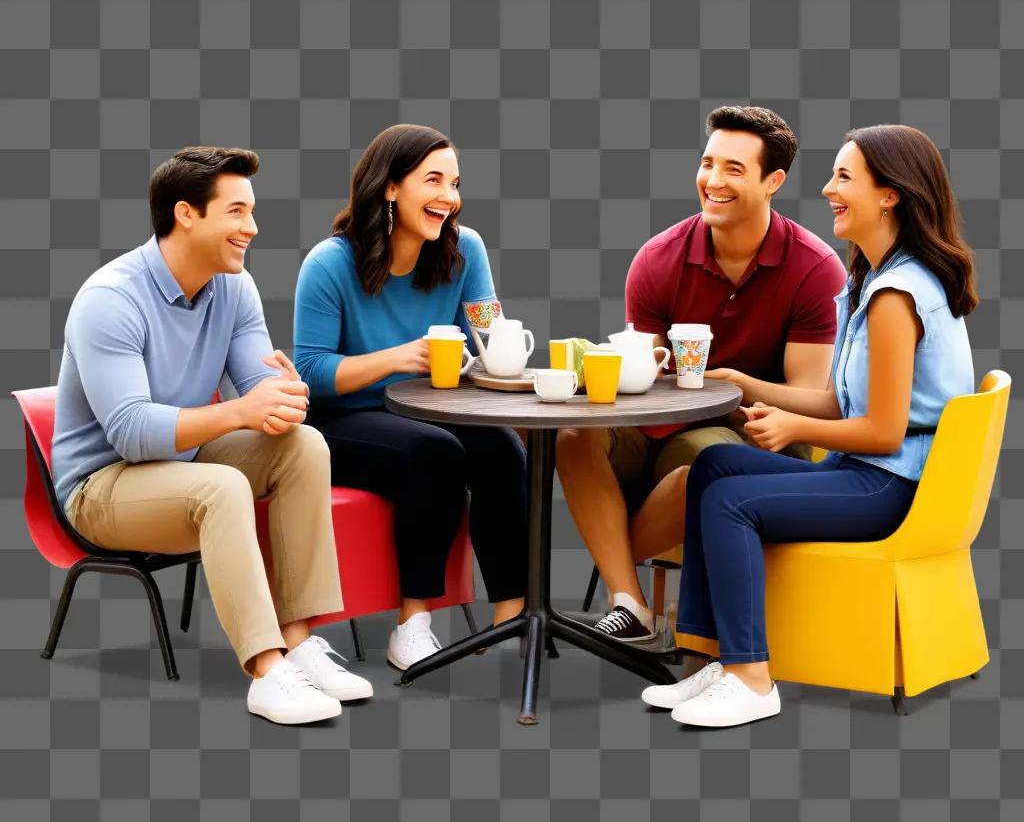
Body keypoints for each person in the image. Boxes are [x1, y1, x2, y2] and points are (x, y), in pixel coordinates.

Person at [641, 124, 979, 728]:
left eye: (844, 177)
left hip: (889, 486)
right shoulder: (876, 279)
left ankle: (751, 677)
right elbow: (839, 398)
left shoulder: (896, 298)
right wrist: (743, 383)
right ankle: (708, 657)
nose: (827, 189)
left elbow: (880, 431)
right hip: (873, 471)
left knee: (731, 503)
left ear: (890, 195)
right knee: (713, 466)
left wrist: (792, 426)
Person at [51, 147, 372, 726]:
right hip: (100, 488)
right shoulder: (110, 299)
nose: (252, 227)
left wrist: (287, 398)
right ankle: (266, 670)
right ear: (186, 214)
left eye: (251, 212)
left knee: (303, 447)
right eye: (237, 212)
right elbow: (129, 434)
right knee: (222, 487)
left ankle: (298, 643)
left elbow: (258, 390)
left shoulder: (235, 287)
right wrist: (242, 411)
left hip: (185, 461)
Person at [557, 107, 847, 643]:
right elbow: (642, 376)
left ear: (773, 181)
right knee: (573, 437)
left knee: (708, 461)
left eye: (734, 169)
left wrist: (733, 390)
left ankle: (615, 560)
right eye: (707, 163)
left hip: (751, 434)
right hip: (658, 424)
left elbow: (809, 397)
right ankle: (632, 603)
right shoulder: (658, 259)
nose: (713, 181)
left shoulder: (814, 268)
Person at [293, 124, 527, 669]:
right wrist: (399, 357)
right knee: (435, 452)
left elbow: (487, 331)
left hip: (425, 412)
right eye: (434, 180)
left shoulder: (464, 250)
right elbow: (310, 372)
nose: (450, 196)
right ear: (390, 187)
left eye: (455, 183)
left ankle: (511, 616)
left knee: (502, 448)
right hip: (340, 421)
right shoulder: (329, 264)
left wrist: (505, 353)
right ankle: (413, 621)